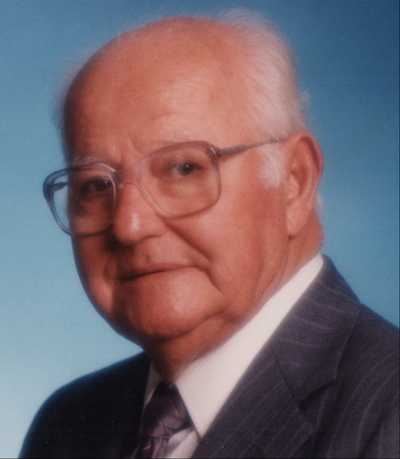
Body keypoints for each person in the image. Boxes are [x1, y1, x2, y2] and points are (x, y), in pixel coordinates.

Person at [20, 11, 398, 459]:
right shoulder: (66, 425)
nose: (130, 226)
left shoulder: (387, 412)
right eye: (96, 186)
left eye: (184, 168)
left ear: (294, 181)